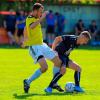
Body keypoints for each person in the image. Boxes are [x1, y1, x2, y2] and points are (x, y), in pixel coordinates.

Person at [22, 3, 62, 93]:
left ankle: (54, 83)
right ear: (35, 11)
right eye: (40, 12)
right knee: (44, 67)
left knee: (58, 62)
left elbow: (26, 28)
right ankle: (27, 81)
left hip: (42, 45)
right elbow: (31, 27)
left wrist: (25, 38)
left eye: (42, 12)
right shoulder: (29, 18)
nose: (41, 13)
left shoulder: (36, 19)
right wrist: (42, 18)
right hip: (34, 46)